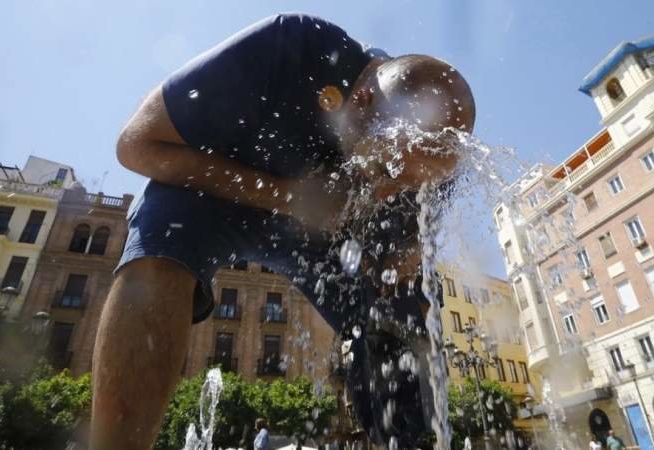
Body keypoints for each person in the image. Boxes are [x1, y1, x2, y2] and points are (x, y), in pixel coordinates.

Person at [89, 12, 475, 450]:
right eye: (385, 171)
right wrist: (286, 197)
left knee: (407, 307)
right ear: (363, 99)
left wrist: (393, 279)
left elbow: (406, 259)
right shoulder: (290, 46)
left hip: (327, 238)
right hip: (216, 193)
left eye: (408, 186)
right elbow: (136, 145)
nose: (387, 192)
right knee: (159, 249)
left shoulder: (434, 164)